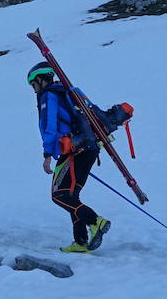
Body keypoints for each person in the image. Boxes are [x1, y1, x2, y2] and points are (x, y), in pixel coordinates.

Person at [27, 62, 110, 253]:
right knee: (71, 196)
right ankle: (80, 242)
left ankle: (96, 221)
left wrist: (47, 154)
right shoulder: (67, 92)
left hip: (73, 150)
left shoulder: (48, 96)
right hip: (89, 148)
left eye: (33, 83)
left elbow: (48, 126)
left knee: (59, 195)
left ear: (40, 79)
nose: (33, 88)